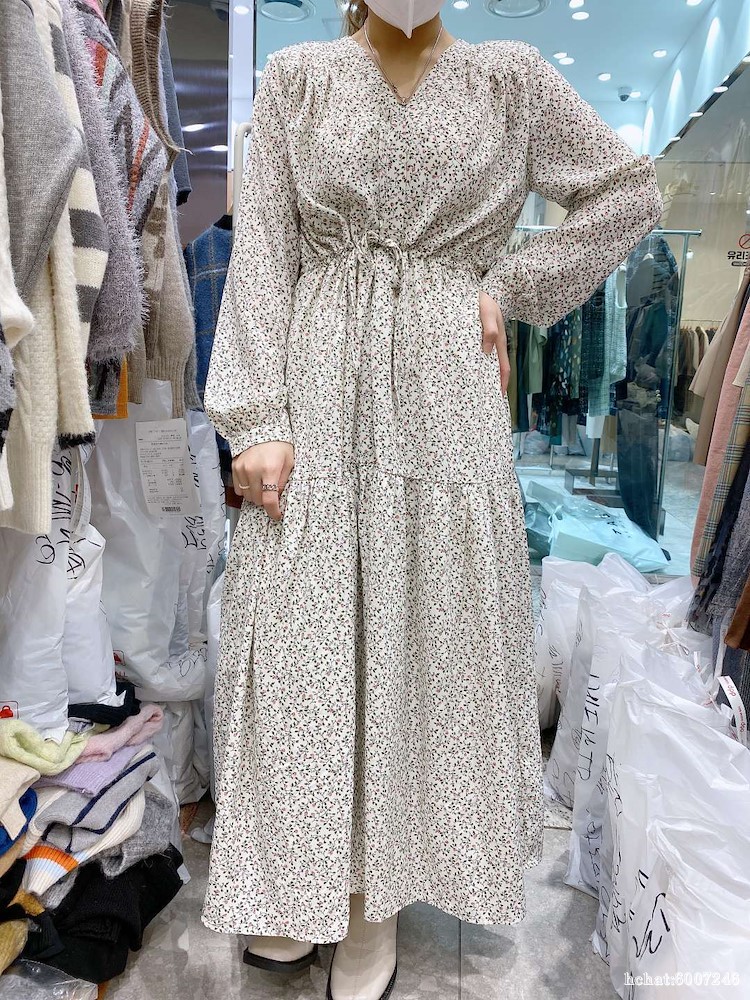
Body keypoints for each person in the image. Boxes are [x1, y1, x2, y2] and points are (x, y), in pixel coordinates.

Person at [201, 1, 663, 997]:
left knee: (424, 640)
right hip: (319, 383)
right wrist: (256, 416)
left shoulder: (511, 78)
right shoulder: (300, 79)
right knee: (303, 640)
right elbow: (264, 252)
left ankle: (375, 899)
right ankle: (302, 878)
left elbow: (629, 190)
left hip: (445, 392)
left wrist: (512, 283)